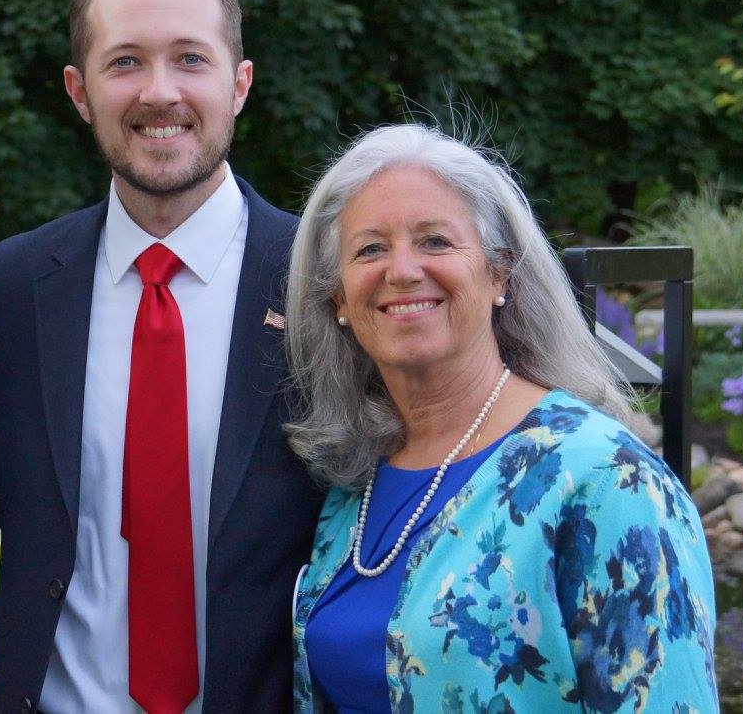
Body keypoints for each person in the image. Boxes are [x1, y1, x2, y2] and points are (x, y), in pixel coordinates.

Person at [0, 0, 322, 713]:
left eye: (190, 59)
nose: (159, 92)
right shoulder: (13, 290)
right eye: (125, 62)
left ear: (239, 83)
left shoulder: (324, 281)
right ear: (80, 90)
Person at [285, 124, 717, 712]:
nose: (403, 270)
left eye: (435, 241)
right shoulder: (351, 483)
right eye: (370, 249)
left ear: (499, 274)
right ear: (338, 299)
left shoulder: (607, 480)